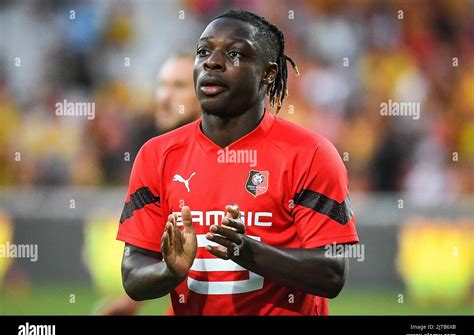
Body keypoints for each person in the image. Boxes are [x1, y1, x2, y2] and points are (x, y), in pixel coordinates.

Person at [117, 10, 359, 315]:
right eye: (203, 51)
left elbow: (332, 274)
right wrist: (170, 270)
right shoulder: (157, 155)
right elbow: (132, 274)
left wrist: (248, 251)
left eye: (234, 53)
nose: (212, 62)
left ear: (268, 73)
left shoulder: (310, 153)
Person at [101, 53, 200, 315]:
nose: (164, 97)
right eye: (162, 85)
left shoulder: (232, 155)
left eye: (178, 86)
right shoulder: (161, 156)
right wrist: (133, 299)